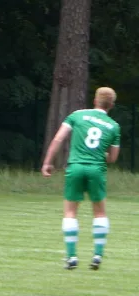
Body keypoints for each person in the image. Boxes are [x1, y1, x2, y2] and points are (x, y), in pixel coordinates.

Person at [42, 87, 120, 270]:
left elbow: (58, 139)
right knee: (99, 212)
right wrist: (101, 155)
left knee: (70, 212)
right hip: (96, 169)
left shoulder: (77, 115)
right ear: (112, 105)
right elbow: (113, 158)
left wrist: (48, 162)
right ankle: (98, 255)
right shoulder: (113, 126)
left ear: (95, 100)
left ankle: (71, 257)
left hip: (75, 167)